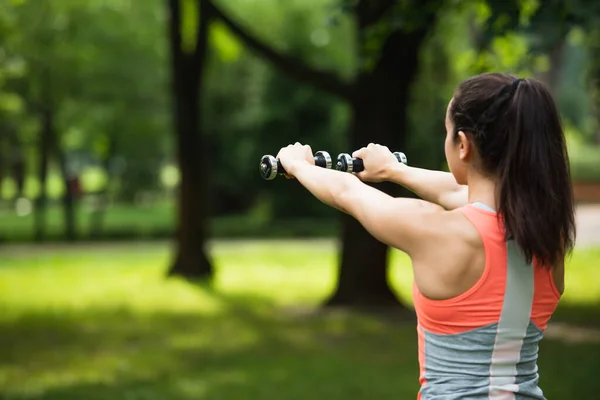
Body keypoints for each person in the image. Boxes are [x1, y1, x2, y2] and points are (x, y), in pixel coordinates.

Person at [275, 72, 575, 399]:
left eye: (447, 133)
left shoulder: (441, 231)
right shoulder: (549, 235)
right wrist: (393, 170)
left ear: (463, 145)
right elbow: (463, 192)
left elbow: (349, 192)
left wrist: (300, 165)